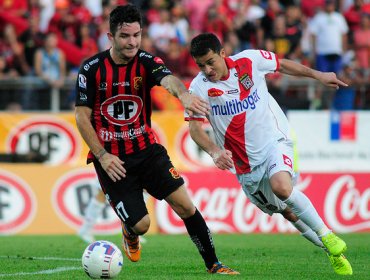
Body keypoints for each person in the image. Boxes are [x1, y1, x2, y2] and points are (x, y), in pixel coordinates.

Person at [74, 5, 238, 275]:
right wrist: (102, 155)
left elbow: (168, 80)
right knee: (142, 225)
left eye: (137, 35)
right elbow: (82, 116)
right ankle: (130, 230)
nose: (132, 42)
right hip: (113, 160)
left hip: (147, 151)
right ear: (110, 37)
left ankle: (214, 265)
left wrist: (184, 96)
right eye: (125, 36)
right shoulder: (91, 70)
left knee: (185, 205)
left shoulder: (146, 61)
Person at [186, 32, 353, 276]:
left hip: (274, 141)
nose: (207, 69)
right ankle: (333, 252)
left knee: (282, 188)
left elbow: (282, 64)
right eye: (201, 65)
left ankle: (327, 235)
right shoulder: (198, 88)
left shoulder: (249, 61)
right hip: (245, 167)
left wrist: (318, 75)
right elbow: (194, 129)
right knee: (287, 211)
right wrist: (213, 151)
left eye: (211, 62)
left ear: (223, 53)